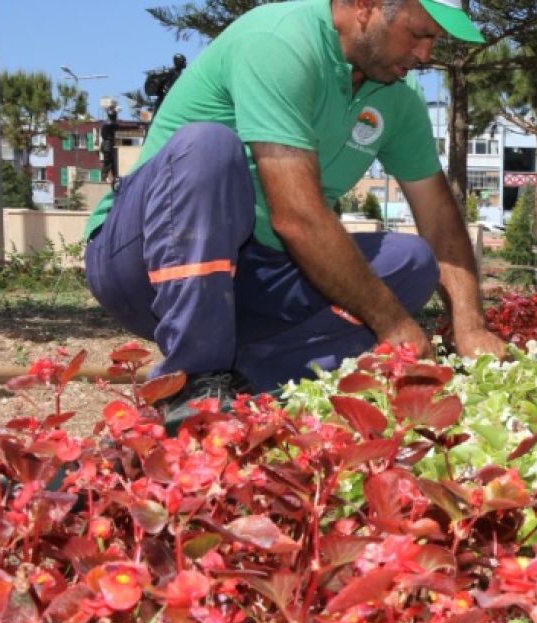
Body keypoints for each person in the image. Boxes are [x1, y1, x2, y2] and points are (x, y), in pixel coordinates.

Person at [83, 0, 504, 420]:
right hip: (141, 266)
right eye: (418, 34)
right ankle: (193, 382)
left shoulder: (397, 98)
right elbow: (296, 217)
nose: (426, 56)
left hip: (248, 282)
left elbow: (438, 215)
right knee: (209, 146)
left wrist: (470, 326)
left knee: (411, 263)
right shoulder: (280, 42)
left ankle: (252, 377)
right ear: (365, 6)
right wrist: (393, 324)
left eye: (435, 41)